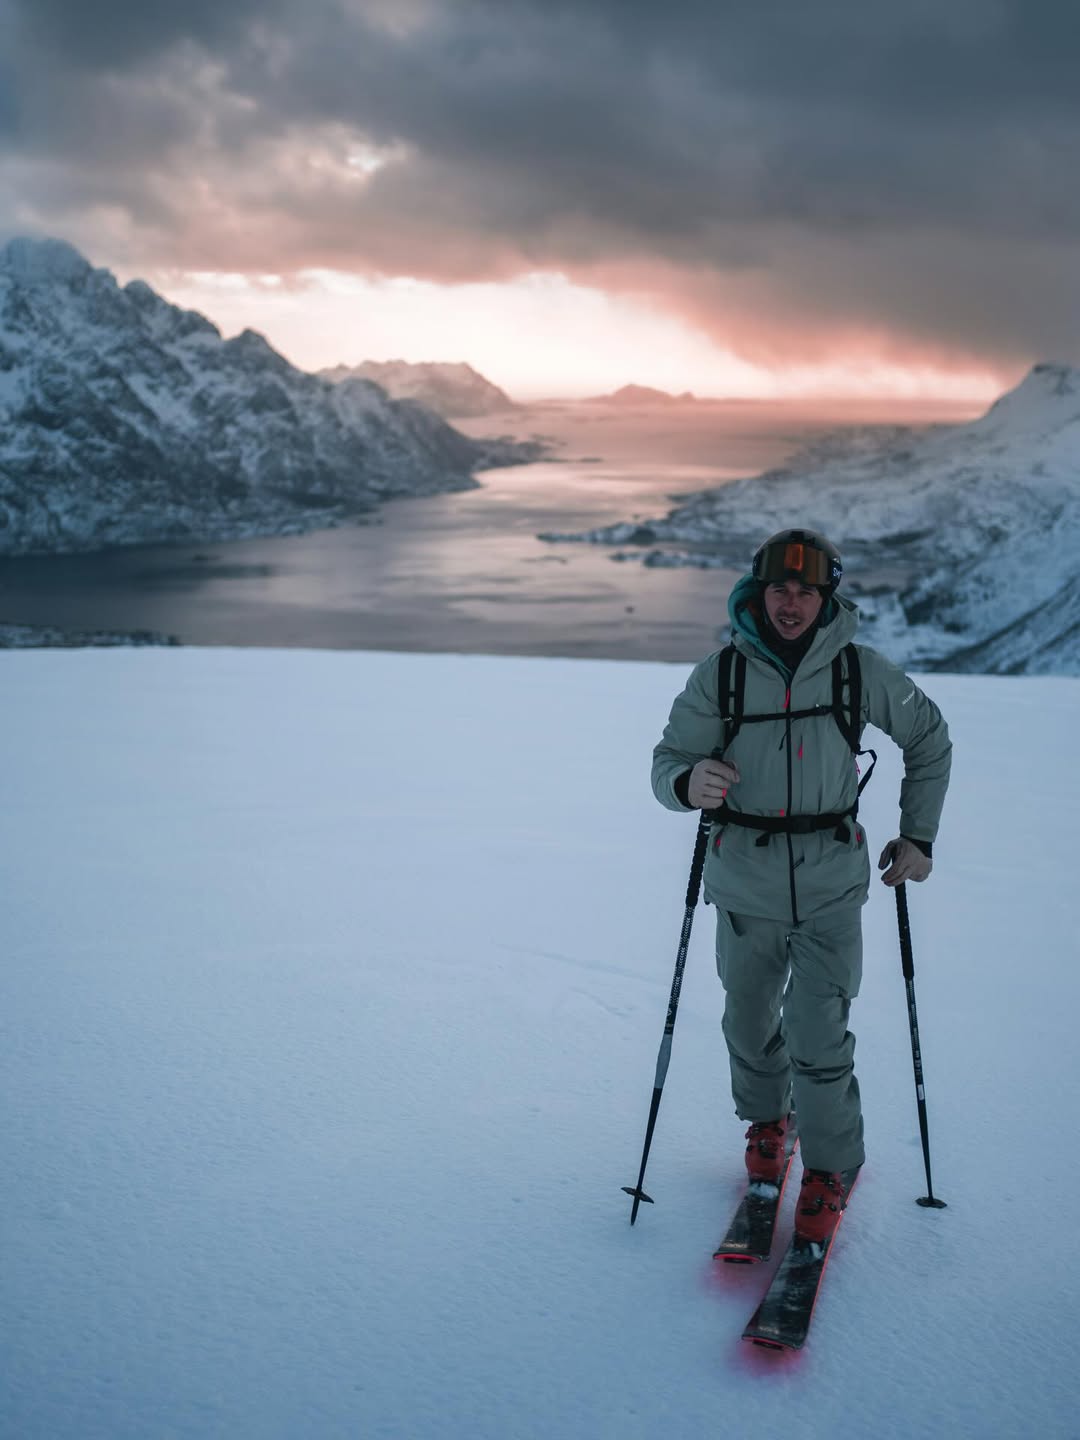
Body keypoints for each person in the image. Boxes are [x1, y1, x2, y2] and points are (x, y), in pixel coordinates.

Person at [650, 528, 951, 1243]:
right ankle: (768, 1126)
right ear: (759, 593)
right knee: (749, 1027)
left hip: (828, 884)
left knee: (817, 1033)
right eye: (779, 589)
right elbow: (667, 762)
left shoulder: (858, 672)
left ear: (826, 597)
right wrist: (689, 782)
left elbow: (929, 738)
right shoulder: (719, 677)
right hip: (744, 883)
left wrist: (919, 836)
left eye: (806, 591)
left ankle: (830, 1168)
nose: (791, 603)